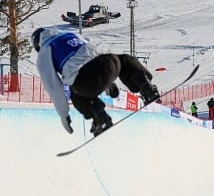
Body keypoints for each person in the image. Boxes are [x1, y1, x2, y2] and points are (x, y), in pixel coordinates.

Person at [31, 27, 159, 136]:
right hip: (108, 62)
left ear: (37, 44)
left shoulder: (44, 52)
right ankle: (147, 88)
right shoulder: (70, 34)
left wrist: (63, 115)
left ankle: (100, 117)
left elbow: (53, 86)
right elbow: (93, 52)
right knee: (124, 60)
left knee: (75, 92)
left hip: (86, 81)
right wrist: (108, 82)